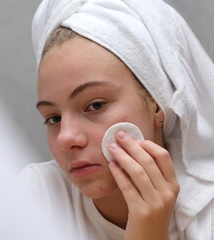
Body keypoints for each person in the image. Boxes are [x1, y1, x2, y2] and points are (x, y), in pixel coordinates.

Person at [19, 0, 214, 239]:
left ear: (157, 104)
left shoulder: (206, 217)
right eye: (53, 118)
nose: (65, 138)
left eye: (95, 105)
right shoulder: (37, 198)